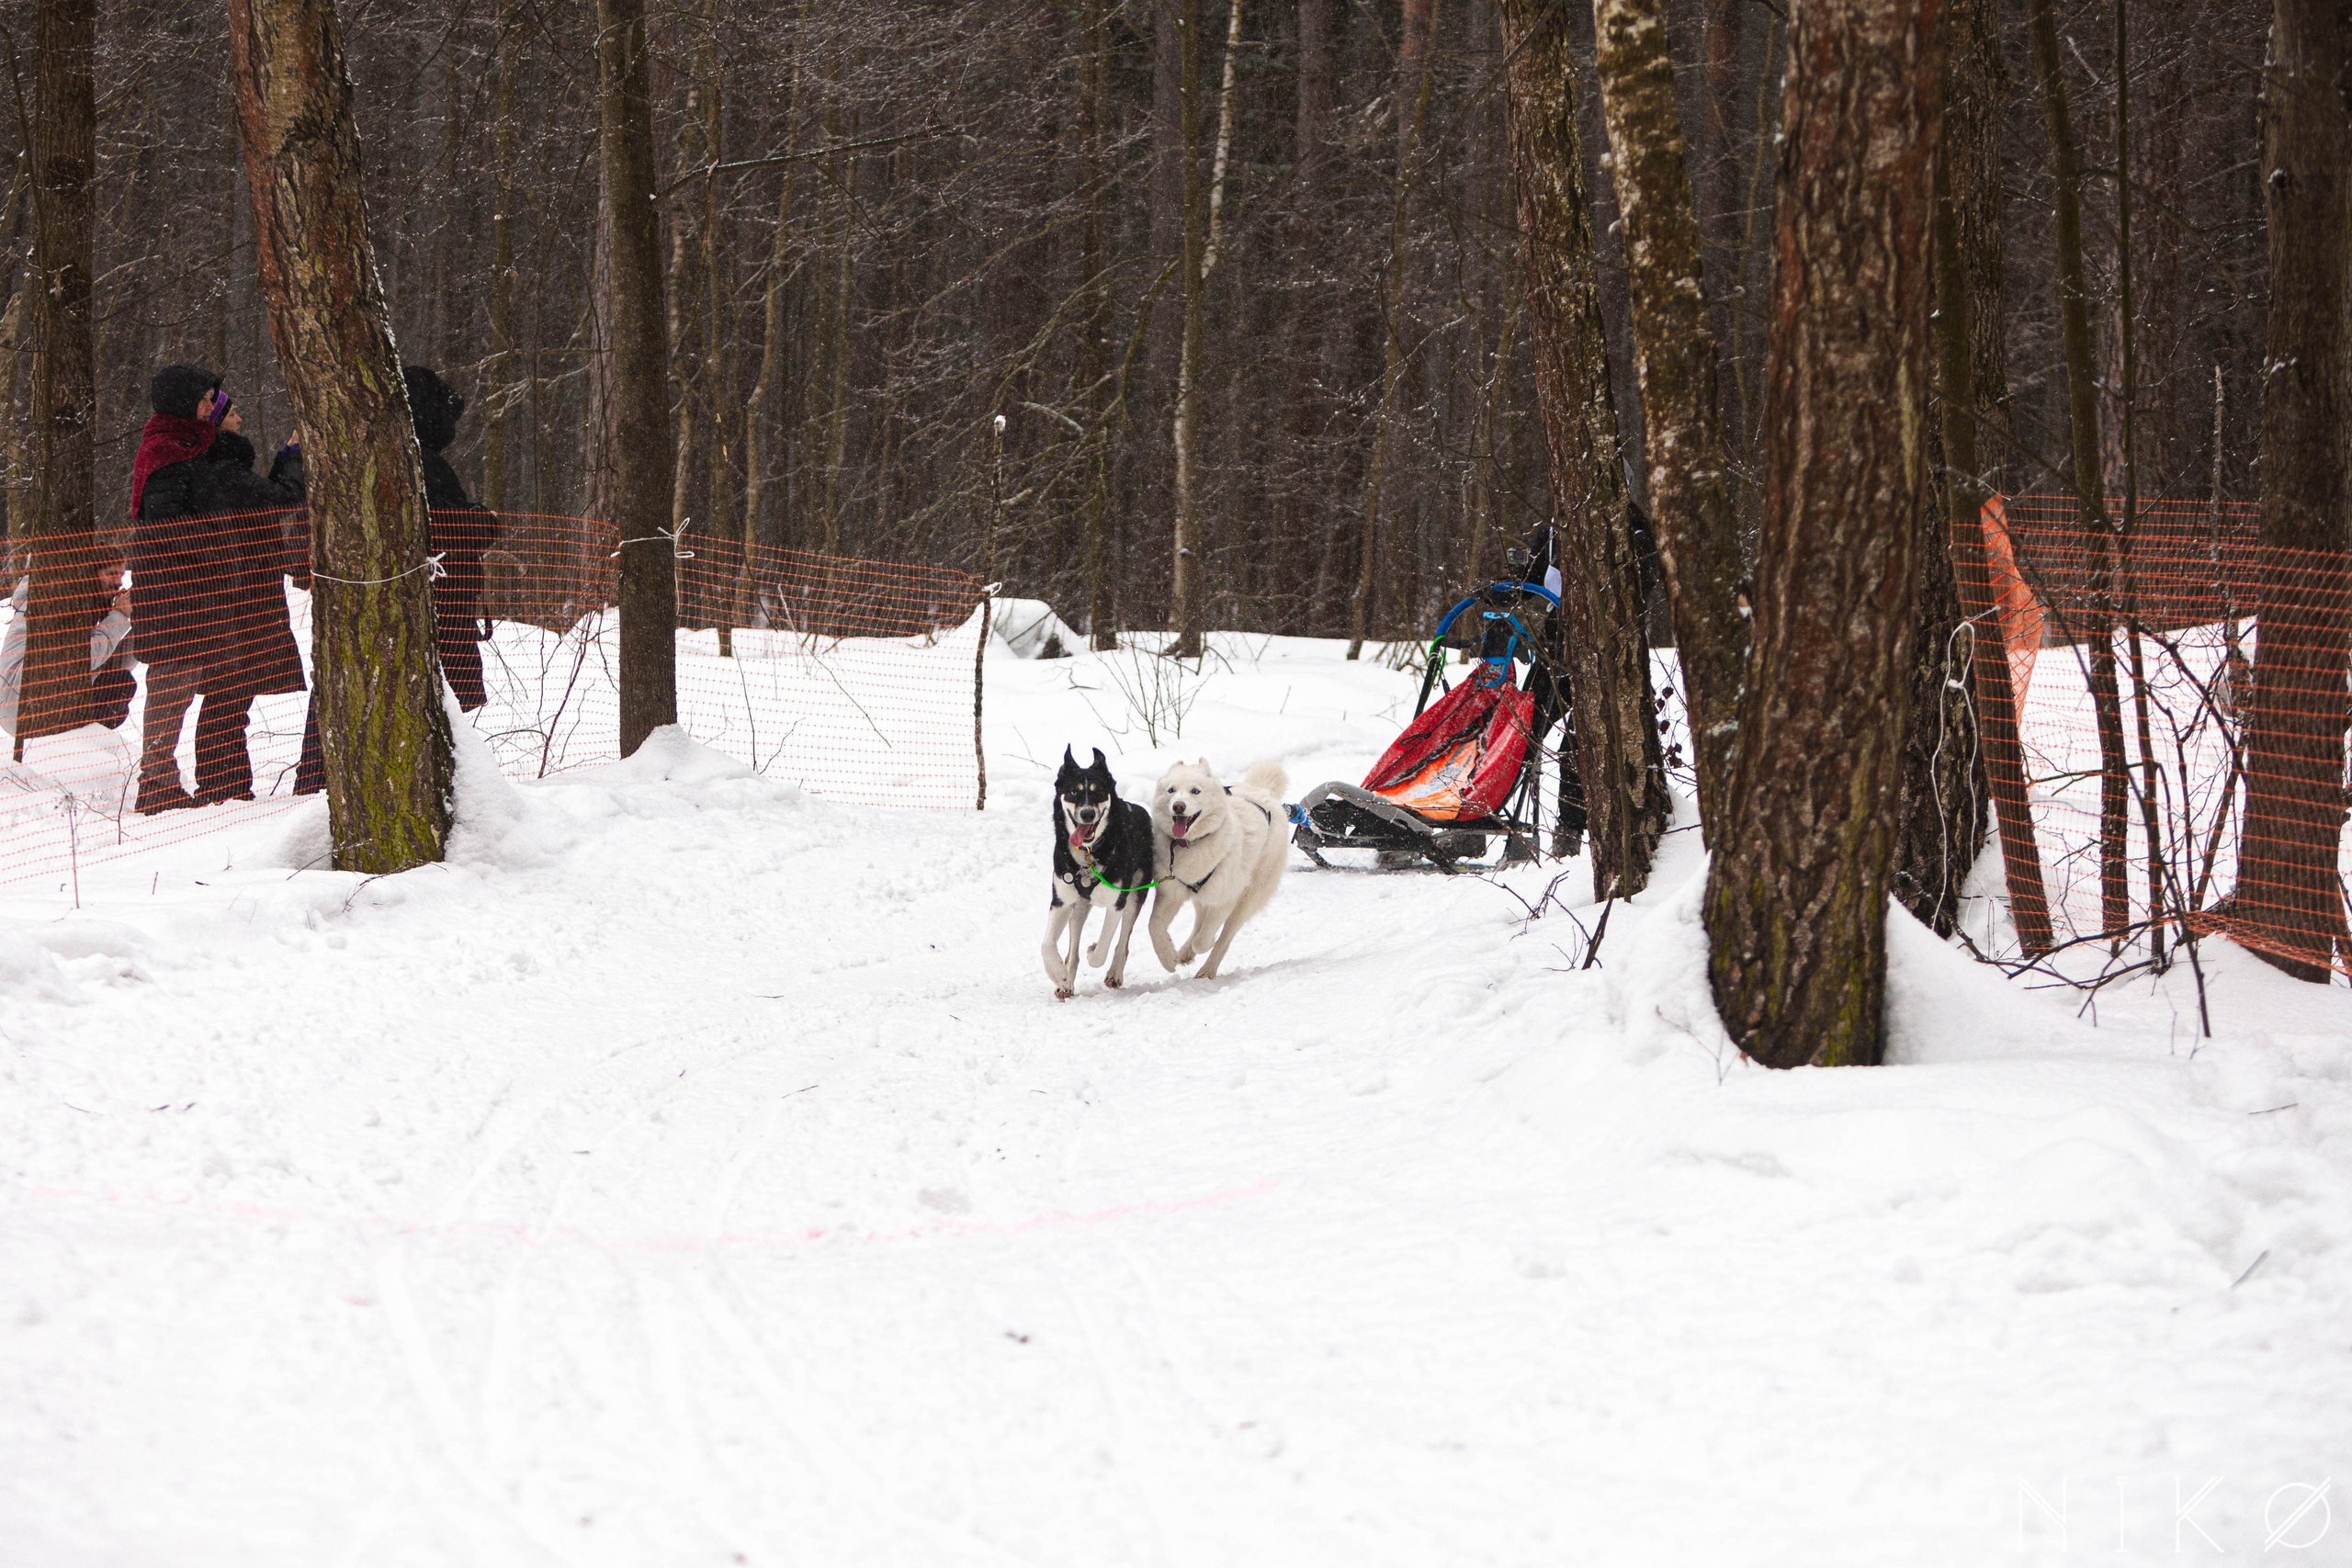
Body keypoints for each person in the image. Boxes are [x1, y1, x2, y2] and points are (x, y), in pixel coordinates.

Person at [289, 364, 501, 795]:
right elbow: (450, 530)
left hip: (386, 603)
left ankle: (323, 776)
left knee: (359, 686)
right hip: (431, 607)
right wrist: (484, 522)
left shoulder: (365, 454)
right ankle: (405, 785)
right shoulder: (422, 464)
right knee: (422, 699)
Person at [130, 363, 307, 813]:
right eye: (206, 399)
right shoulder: (168, 452)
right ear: (183, 401)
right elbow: (164, 526)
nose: (213, 407)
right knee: (173, 685)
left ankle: (166, 782)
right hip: (175, 592)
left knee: (191, 684)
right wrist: (216, 544)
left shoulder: (189, 450)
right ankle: (158, 785)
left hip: (195, 591)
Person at [0, 553, 135, 739]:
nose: (119, 583)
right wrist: (119, 615)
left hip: (26, 702)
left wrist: (135, 618)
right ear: (92, 574)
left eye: (121, 575)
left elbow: (104, 659)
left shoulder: (62, 594)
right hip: (24, 707)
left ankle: (87, 743)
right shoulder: (57, 602)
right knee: (115, 685)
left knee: (119, 681)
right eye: (112, 574)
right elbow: (81, 657)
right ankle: (82, 745)